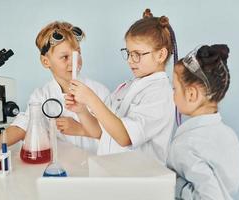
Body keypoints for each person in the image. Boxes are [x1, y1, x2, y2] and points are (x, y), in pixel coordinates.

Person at [65, 9, 177, 164]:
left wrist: (91, 99)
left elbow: (124, 137)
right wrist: (82, 111)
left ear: (161, 55)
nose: (130, 60)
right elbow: (100, 132)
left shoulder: (161, 93)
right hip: (112, 175)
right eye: (129, 53)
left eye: (137, 54)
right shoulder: (127, 87)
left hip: (137, 183)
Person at [6, 21, 109, 153]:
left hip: (96, 164)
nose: (74, 62)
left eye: (77, 53)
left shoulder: (99, 91)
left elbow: (115, 135)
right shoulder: (41, 96)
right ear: (46, 61)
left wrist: (80, 129)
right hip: (64, 166)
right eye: (65, 57)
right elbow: (23, 126)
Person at [167, 44, 239, 199]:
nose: (172, 94)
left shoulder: (187, 144)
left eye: (174, 88)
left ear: (191, 95)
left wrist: (177, 187)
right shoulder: (229, 135)